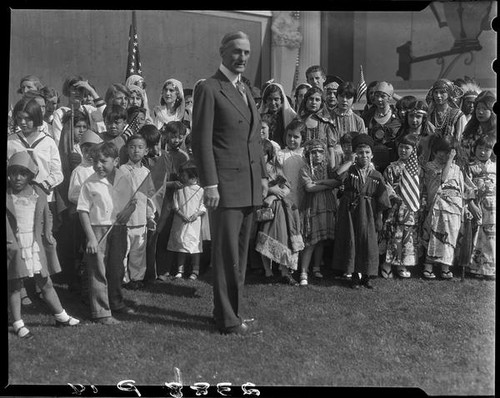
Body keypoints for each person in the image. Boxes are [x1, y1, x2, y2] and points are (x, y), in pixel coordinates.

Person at [191, 31, 266, 336]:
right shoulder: (209, 88)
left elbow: (254, 139)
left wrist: (262, 178)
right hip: (224, 187)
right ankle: (228, 320)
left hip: (247, 185)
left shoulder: (245, 89)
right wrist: (210, 184)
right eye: (236, 52)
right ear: (222, 52)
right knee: (226, 256)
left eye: (247, 53)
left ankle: (229, 312)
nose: (242, 58)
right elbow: (201, 140)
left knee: (240, 255)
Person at [7, 151, 80, 339]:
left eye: (23, 174)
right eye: (14, 173)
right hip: (14, 244)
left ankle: (60, 316)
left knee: (45, 282)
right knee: (15, 284)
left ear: (31, 175)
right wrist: (11, 245)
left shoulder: (37, 191)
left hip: (34, 244)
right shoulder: (7, 195)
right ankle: (17, 322)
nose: (17, 178)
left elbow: (46, 213)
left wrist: (48, 232)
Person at [77, 142, 138, 324]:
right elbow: (82, 210)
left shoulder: (124, 177)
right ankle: (101, 311)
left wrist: (128, 211)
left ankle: (116, 301)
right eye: (95, 161)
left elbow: (132, 201)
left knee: (116, 268)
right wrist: (90, 238)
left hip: (118, 228)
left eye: (103, 161)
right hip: (97, 230)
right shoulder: (90, 183)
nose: (98, 165)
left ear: (116, 161)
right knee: (98, 271)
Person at [332, 134, 391, 289]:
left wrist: (379, 217)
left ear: (372, 155)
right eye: (360, 152)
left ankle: (366, 275)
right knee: (353, 240)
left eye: (367, 152)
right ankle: (354, 276)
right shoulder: (350, 171)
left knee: (368, 241)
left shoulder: (376, 175)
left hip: (369, 212)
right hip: (351, 212)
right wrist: (350, 160)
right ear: (354, 154)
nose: (363, 156)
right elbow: (337, 176)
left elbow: (382, 198)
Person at [255, 140, 304, 286]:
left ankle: (284, 271)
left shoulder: (275, 168)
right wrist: (270, 191)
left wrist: (274, 195)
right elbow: (255, 187)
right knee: (265, 236)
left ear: (268, 155)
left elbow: (287, 187)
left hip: (280, 208)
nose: (261, 157)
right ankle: (268, 272)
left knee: (283, 237)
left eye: (264, 154)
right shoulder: (254, 170)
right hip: (263, 208)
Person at [420, 136, 466, 280]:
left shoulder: (457, 169)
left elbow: (461, 188)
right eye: (441, 151)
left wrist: (464, 208)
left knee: (450, 236)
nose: (444, 155)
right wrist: (450, 161)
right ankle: (428, 266)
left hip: (454, 207)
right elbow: (443, 179)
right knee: (434, 235)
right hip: (438, 206)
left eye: (448, 151)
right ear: (434, 151)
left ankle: (445, 266)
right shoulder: (430, 167)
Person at [380, 134, 423, 279]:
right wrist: (394, 197)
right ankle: (387, 264)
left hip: (411, 208)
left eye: (407, 148)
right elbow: (387, 186)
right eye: (401, 147)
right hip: (396, 208)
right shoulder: (392, 167)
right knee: (394, 235)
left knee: (407, 235)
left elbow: (420, 189)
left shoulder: (418, 169)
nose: (403, 150)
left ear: (414, 150)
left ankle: (402, 263)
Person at [298, 139, 340, 286]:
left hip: (327, 205)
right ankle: (303, 271)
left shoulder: (328, 167)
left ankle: (316, 268)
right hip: (313, 205)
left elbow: (337, 182)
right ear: (308, 154)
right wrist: (326, 184)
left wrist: (320, 182)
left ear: (324, 154)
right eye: (313, 152)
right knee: (311, 240)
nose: (317, 155)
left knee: (321, 240)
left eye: (320, 152)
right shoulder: (305, 168)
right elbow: (309, 188)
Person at [67, 130, 104, 294]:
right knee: (81, 248)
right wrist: (89, 200)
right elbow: (73, 195)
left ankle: (91, 279)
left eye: (94, 151)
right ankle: (77, 282)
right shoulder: (79, 171)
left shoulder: (99, 169)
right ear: (82, 151)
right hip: (81, 216)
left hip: (96, 216)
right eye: (86, 151)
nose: (90, 155)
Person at [120, 135, 156, 289]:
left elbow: (150, 197)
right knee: (123, 251)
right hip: (126, 219)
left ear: (146, 151)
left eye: (140, 147)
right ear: (127, 149)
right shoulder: (122, 169)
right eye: (132, 147)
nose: (136, 150)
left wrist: (150, 216)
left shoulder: (147, 171)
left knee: (138, 251)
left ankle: (137, 278)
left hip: (141, 219)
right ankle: (122, 278)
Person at [167, 161, 206, 281]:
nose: (181, 177)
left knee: (195, 247)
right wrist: (181, 214)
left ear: (193, 177)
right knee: (181, 245)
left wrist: (196, 214)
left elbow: (203, 205)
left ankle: (195, 270)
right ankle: (180, 270)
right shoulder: (179, 190)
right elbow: (175, 205)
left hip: (194, 222)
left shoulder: (200, 191)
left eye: (184, 175)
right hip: (181, 221)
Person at [464, 135, 496, 280]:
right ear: (475, 149)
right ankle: (474, 267)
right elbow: (467, 187)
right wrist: (471, 204)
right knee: (476, 235)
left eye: (486, 149)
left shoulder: (494, 167)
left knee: (491, 237)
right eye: (480, 149)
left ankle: (489, 269)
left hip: (493, 206)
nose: (482, 152)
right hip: (476, 204)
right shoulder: (470, 167)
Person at [52, 76, 106, 145]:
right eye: (74, 89)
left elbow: (106, 113)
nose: (78, 92)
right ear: (68, 91)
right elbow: (58, 140)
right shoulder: (60, 113)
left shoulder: (88, 110)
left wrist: (91, 90)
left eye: (81, 90)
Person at [363, 81, 401, 174]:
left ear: (389, 97)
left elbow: (410, 103)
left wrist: (393, 93)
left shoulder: (398, 115)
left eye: (383, 96)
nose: (379, 99)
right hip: (373, 162)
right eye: (377, 96)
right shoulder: (368, 116)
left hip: (393, 161)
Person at [297, 86, 337, 169]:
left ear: (322, 102)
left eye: (317, 100)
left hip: (322, 166)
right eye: (311, 99)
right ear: (306, 101)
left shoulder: (326, 123)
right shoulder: (298, 122)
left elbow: (331, 148)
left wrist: (332, 168)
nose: (313, 102)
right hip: (301, 164)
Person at [329, 81, 367, 164]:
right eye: (342, 96)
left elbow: (362, 144)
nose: (344, 100)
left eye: (348, 97)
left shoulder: (359, 121)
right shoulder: (328, 118)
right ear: (337, 97)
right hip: (332, 158)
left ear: (354, 99)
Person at [276, 119, 307, 209]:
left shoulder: (306, 155)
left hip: (304, 197)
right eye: (289, 135)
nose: (291, 139)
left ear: (303, 139)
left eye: (296, 137)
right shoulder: (280, 154)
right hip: (286, 197)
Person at [460, 90, 496, 164]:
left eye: (484, 109)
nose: (480, 112)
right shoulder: (469, 131)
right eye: (478, 108)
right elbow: (463, 155)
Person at [396, 100, 436, 167]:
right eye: (411, 116)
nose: (414, 120)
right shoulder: (401, 135)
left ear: (423, 118)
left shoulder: (430, 138)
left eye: (418, 117)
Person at [258, 82, 297, 148]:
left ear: (282, 100)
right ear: (265, 100)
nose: (273, 103)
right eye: (270, 99)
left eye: (276, 99)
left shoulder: (291, 117)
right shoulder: (260, 117)